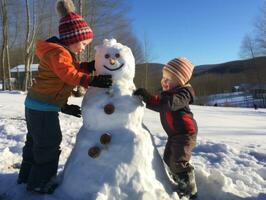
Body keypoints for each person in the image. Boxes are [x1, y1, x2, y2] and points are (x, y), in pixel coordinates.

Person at [17, 0, 112, 194]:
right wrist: (91, 80)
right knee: (49, 143)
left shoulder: (63, 53)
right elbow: (68, 75)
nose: (84, 47)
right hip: (42, 108)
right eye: (83, 43)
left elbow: (68, 73)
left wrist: (89, 67)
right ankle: (40, 182)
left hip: (40, 105)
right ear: (71, 38)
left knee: (35, 141)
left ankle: (27, 175)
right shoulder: (59, 53)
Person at [134, 57, 198, 199]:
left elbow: (167, 104)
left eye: (169, 78)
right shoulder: (170, 93)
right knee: (168, 158)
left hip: (185, 133)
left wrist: (148, 98)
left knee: (178, 161)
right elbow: (163, 102)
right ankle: (179, 178)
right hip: (175, 134)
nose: (164, 81)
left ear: (180, 81)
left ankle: (189, 191)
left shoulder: (183, 94)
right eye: (163, 77)